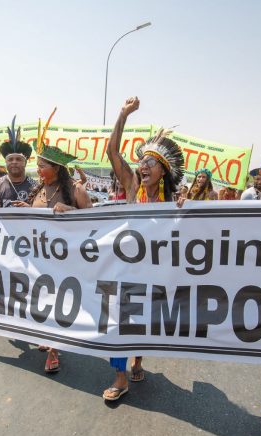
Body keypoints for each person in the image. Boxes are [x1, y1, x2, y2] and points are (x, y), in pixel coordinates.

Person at [103, 96, 185, 401]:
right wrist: (123, 113)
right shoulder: (132, 186)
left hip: (157, 275)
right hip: (125, 271)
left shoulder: (173, 204)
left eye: (150, 162)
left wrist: (185, 209)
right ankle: (121, 376)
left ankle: (139, 358)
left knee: (146, 322)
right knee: (120, 321)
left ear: (163, 170)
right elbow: (112, 151)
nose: (143, 165)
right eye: (142, 161)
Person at [15, 109, 92, 373]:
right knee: (41, 300)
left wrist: (70, 211)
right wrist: (21, 209)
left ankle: (55, 350)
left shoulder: (76, 190)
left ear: (57, 168)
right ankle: (48, 337)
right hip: (39, 258)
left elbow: (95, 222)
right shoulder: (37, 190)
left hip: (67, 260)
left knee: (60, 302)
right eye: (38, 165)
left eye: (42, 165)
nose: (38, 169)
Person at [0, 116, 37, 208]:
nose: (14, 162)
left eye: (18, 159)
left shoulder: (35, 186)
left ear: (25, 163)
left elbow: (43, 210)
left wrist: (30, 208)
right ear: (6, 163)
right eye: (10, 159)